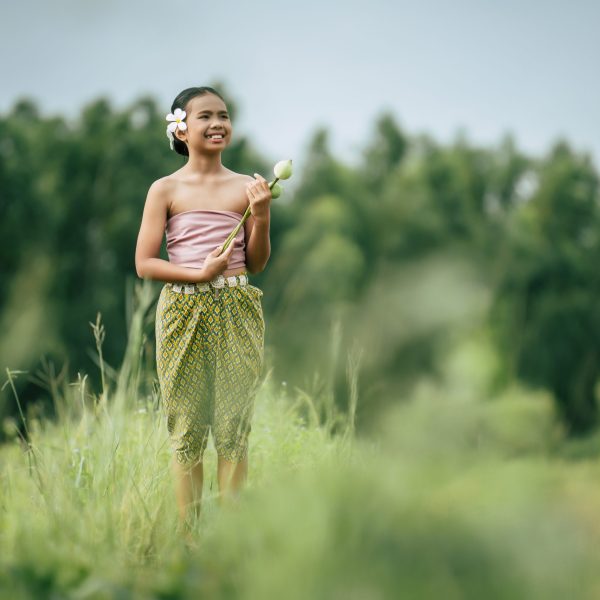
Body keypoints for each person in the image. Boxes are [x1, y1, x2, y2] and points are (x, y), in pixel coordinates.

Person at [135, 86, 272, 534]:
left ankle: (229, 538)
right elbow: (145, 263)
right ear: (181, 128)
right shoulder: (165, 189)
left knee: (233, 425)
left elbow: (255, 262)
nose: (218, 123)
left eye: (224, 115)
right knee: (188, 427)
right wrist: (197, 274)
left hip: (236, 308)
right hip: (183, 311)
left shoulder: (246, 187)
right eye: (205, 116)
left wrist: (262, 216)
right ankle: (190, 538)